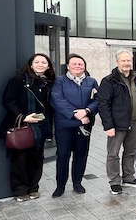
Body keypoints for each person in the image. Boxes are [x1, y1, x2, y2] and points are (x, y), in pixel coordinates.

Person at [0, 53, 55, 201]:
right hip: (23, 126)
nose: (40, 64)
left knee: (37, 159)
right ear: (30, 64)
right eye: (37, 62)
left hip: (40, 127)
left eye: (44, 62)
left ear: (48, 66)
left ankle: (33, 188)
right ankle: (20, 191)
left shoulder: (49, 83)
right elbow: (8, 100)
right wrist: (23, 117)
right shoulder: (18, 80)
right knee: (19, 160)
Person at [98, 50, 136, 195]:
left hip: (135, 122)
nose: (126, 63)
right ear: (117, 62)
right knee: (113, 154)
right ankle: (114, 182)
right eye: (123, 61)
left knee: (131, 151)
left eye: (128, 61)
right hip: (117, 124)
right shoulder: (109, 80)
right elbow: (103, 104)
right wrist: (108, 126)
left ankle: (128, 177)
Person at [50, 54, 98, 198]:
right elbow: (57, 100)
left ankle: (77, 182)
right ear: (68, 66)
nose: (78, 66)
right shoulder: (59, 81)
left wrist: (87, 111)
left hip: (85, 125)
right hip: (64, 125)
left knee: (81, 155)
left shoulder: (91, 81)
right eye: (75, 64)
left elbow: (99, 99)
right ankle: (60, 185)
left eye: (80, 64)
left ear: (84, 66)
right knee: (63, 155)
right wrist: (76, 115)